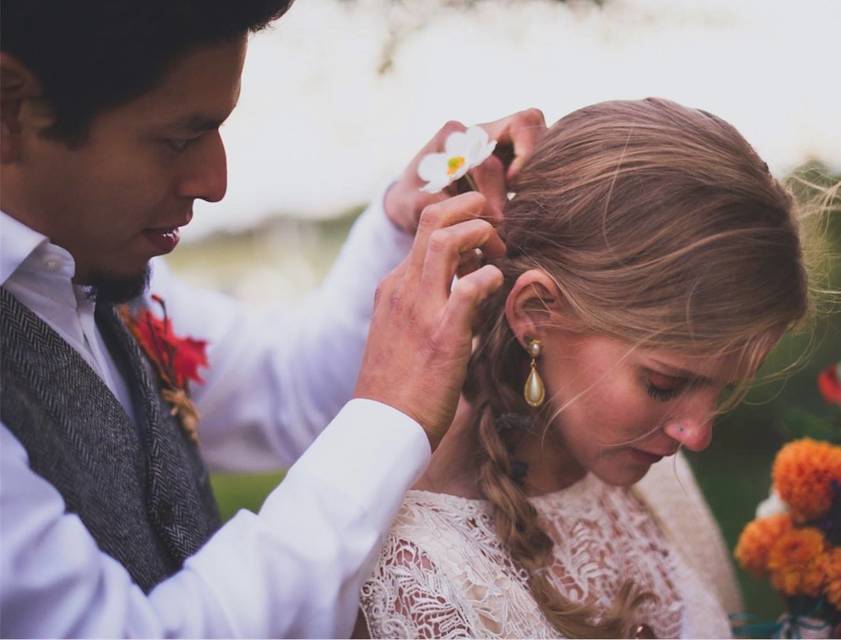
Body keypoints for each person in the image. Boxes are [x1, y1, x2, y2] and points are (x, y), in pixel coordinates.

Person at [0, 1, 546, 636]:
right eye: (178, 139)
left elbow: (288, 390)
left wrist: (404, 223)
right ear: (10, 107)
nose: (215, 181)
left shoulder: (93, 268)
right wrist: (390, 415)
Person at [357, 98, 811, 639]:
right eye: (664, 384)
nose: (699, 432)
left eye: (724, 388)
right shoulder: (424, 580)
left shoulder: (651, 481)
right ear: (536, 313)